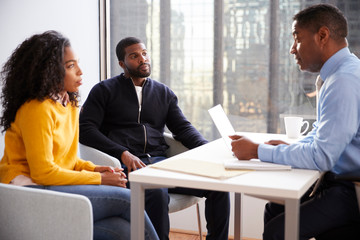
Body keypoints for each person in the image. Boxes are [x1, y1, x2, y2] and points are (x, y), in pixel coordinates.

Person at [0, 31, 158, 240]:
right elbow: (43, 172)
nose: (81, 72)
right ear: (49, 71)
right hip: (28, 192)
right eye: (71, 66)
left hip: (53, 185)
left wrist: (94, 167)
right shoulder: (37, 109)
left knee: (122, 230)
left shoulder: (69, 104)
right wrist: (99, 179)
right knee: (127, 200)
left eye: (77, 63)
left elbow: (68, 160)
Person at [230, 3, 360, 240]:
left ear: (322, 35)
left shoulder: (343, 80)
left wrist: (257, 150)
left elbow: (322, 156)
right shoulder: (340, 73)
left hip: (352, 189)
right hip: (339, 180)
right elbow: (324, 134)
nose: (292, 49)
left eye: (297, 38)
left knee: (277, 231)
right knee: (275, 208)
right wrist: (289, 148)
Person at [79, 36, 230, 240]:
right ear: (122, 64)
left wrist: (208, 149)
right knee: (157, 191)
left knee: (218, 185)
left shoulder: (163, 92)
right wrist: (122, 153)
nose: (142, 59)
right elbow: (85, 128)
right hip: (124, 166)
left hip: (161, 162)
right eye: (134, 56)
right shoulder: (104, 90)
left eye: (144, 53)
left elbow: (183, 129)